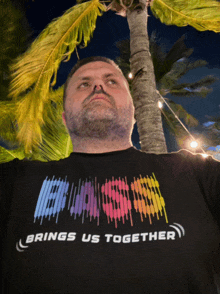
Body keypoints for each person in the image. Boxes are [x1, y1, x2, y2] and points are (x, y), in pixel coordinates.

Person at [1, 56, 220, 294]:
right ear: (64, 118)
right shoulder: (16, 181)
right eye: (84, 84)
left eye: (112, 81)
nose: (98, 87)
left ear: (134, 113)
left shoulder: (196, 174)